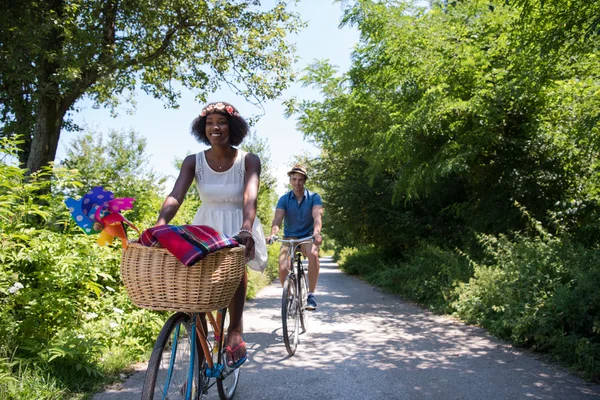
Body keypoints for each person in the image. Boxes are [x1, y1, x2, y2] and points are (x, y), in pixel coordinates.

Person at [155, 101, 267, 368]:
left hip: (239, 222)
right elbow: (176, 195)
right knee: (198, 280)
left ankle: (236, 329)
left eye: (222, 122)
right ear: (202, 128)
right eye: (209, 123)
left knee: (236, 264)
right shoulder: (193, 162)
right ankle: (201, 354)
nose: (215, 127)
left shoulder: (248, 160)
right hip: (206, 224)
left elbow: (250, 198)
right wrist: (159, 224)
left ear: (233, 127)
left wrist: (246, 230)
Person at [266, 164, 324, 310]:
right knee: (282, 265)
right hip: (289, 238)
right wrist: (273, 233)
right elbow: (277, 219)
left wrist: (316, 232)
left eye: (300, 179)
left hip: (306, 237)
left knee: (313, 253)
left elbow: (317, 217)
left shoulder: (314, 197)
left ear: (304, 180)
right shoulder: (284, 199)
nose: (297, 183)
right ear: (290, 180)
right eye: (294, 179)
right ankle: (290, 295)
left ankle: (311, 295)